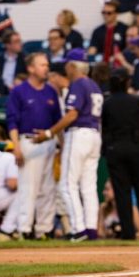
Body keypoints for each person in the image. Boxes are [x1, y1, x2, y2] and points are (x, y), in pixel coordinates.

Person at [33, 49, 103, 242]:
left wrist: (49, 133)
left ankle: (79, 230)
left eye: (67, 64)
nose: (65, 67)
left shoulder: (79, 83)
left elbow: (72, 114)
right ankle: (90, 229)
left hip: (79, 133)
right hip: (95, 134)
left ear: (73, 66)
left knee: (67, 184)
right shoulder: (94, 85)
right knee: (88, 186)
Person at [100, 68, 139, 240]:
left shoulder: (108, 103)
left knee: (122, 193)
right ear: (127, 82)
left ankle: (128, 233)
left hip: (115, 149)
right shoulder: (136, 100)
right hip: (137, 148)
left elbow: (104, 126)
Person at [2, 53, 61, 240]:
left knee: (48, 188)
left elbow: (58, 121)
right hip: (28, 142)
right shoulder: (19, 91)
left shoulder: (51, 91)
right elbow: (12, 121)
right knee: (29, 187)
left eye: (47, 64)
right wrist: (16, 146)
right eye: (42, 65)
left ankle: (44, 229)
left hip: (49, 142)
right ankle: (24, 228)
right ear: (31, 68)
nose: (46, 68)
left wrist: (62, 145)